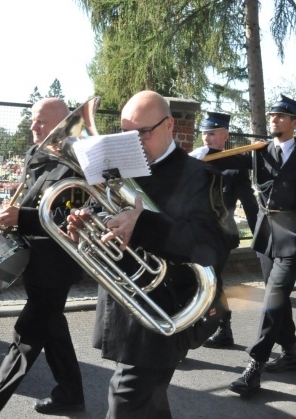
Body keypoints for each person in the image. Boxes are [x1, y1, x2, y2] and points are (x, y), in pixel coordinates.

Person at [67, 91, 230, 418]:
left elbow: (213, 244)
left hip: (166, 308)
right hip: (125, 306)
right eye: (127, 133)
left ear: (169, 125)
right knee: (148, 406)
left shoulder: (200, 176)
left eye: (143, 132)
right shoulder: (117, 172)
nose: (134, 142)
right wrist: (84, 220)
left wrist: (143, 223)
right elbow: (100, 213)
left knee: (125, 403)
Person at [0, 98, 86, 419]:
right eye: (33, 121)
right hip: (34, 260)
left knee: (25, 337)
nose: (33, 127)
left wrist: (20, 218)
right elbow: (30, 200)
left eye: (41, 122)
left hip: (57, 264)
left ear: (62, 123)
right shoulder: (37, 156)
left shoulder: (78, 163)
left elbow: (69, 218)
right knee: (52, 330)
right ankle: (70, 394)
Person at [229, 95, 296, 396]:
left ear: (295, 122)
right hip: (265, 232)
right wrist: (201, 152)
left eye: (281, 116)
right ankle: (290, 355)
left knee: (273, 295)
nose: (274, 120)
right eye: (272, 115)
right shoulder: (259, 152)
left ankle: (255, 366)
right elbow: (221, 159)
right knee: (280, 297)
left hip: (294, 234)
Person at [191, 111, 259, 348]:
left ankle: (221, 328)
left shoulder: (236, 165)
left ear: (224, 136)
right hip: (196, 234)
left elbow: (249, 202)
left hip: (221, 235)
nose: (207, 138)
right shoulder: (195, 160)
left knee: (212, 281)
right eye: (204, 133)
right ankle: (215, 328)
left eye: (212, 134)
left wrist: (260, 236)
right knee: (199, 282)